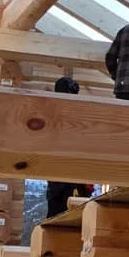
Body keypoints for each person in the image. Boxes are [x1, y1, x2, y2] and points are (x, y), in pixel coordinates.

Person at [43, 77, 94, 218]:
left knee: (70, 213)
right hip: (63, 174)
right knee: (61, 213)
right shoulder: (54, 114)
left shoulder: (69, 113)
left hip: (72, 174)